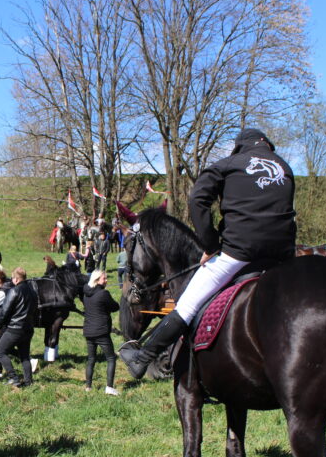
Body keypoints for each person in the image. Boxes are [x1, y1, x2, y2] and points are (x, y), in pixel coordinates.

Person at [121, 128, 297, 379]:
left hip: (240, 252)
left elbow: (198, 200)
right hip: (282, 254)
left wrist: (210, 244)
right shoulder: (285, 168)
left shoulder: (228, 164)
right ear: (267, 146)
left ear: (238, 147)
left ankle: (143, 357)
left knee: (187, 304)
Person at [0, 266, 38, 388]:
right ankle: (28, 382)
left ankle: (13, 378)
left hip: (15, 328)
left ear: (16, 279)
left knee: (0, 352)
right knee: (24, 356)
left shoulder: (14, 291)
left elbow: (4, 310)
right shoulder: (33, 292)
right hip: (28, 328)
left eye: (13, 278)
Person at [83, 269, 120, 396]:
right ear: (97, 280)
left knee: (91, 359)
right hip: (101, 332)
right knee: (111, 358)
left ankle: (88, 386)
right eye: (104, 278)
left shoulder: (86, 294)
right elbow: (115, 307)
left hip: (88, 331)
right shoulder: (103, 294)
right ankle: (109, 387)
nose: (107, 280)